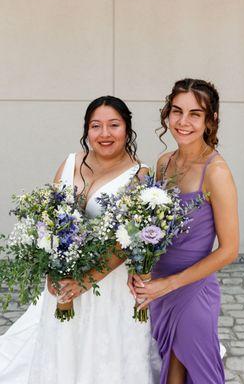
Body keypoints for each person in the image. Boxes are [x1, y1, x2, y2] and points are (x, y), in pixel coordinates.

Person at [0, 96, 159, 384]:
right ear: (87, 131)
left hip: (107, 287)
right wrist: (52, 270)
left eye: (114, 125)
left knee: (104, 358)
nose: (105, 134)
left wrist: (84, 282)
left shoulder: (140, 175)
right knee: (63, 354)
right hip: (63, 284)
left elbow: (126, 243)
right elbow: (48, 218)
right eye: (95, 126)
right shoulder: (70, 162)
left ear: (127, 129)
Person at [131, 79, 239, 384]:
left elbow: (229, 250)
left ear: (210, 119)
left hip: (191, 292)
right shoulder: (164, 163)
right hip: (159, 291)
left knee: (197, 375)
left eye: (195, 113)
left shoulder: (216, 172)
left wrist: (169, 284)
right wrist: (142, 269)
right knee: (170, 374)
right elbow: (151, 227)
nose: (183, 121)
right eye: (177, 111)